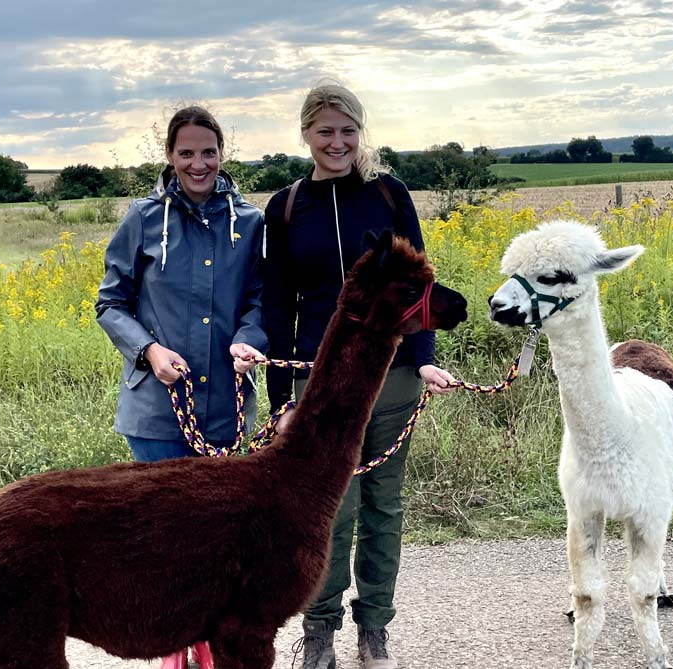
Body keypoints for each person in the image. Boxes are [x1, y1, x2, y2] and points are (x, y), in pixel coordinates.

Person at [262, 82, 457, 669]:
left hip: (392, 378)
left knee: (383, 506)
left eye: (348, 130)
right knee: (326, 511)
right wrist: (281, 401)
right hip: (317, 387)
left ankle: (375, 633)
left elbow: (418, 286)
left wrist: (422, 356)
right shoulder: (288, 206)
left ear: (360, 133)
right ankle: (318, 635)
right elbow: (277, 304)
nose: (338, 142)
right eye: (325, 131)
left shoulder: (390, 195)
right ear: (306, 135)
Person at [95, 105, 266, 669]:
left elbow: (259, 301)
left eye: (209, 151)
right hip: (158, 412)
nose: (199, 163)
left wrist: (247, 337)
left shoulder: (251, 223)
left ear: (223, 153)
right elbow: (110, 303)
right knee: (165, 543)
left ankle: (208, 648)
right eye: (186, 152)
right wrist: (148, 348)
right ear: (170, 156)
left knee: (215, 543)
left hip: (227, 409)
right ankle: (174, 650)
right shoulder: (142, 220)